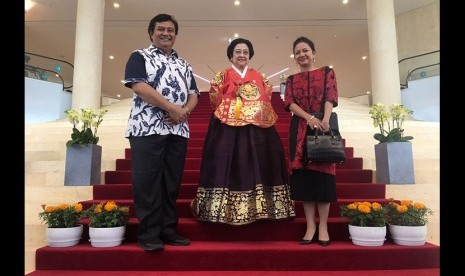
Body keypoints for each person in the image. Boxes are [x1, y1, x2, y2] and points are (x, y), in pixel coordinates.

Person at [190, 38, 295, 225]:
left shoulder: (259, 76)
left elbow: (267, 97)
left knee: (262, 162)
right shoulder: (222, 76)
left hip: (257, 128)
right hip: (227, 127)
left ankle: (264, 208)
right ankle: (220, 210)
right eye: (238, 51)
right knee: (224, 161)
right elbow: (215, 100)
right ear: (231, 55)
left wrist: (249, 108)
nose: (242, 55)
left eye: (245, 52)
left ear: (250, 56)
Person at [123, 13, 199, 251]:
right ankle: (149, 233)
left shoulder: (183, 64)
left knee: (171, 182)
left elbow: (194, 94)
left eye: (171, 30)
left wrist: (183, 111)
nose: (166, 33)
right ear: (151, 33)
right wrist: (171, 108)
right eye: (161, 29)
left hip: (178, 131)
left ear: (176, 35)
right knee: (147, 182)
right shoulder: (139, 56)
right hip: (147, 128)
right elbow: (138, 85)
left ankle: (168, 229)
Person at [283, 36, 339, 246]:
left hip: (323, 129)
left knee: (323, 179)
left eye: (305, 50)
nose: (302, 55)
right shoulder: (290, 80)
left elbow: (330, 96)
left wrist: (324, 119)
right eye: (297, 52)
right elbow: (289, 104)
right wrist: (309, 118)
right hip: (299, 130)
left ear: (314, 53)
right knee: (305, 180)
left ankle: (323, 227)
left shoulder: (327, 73)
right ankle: (310, 226)